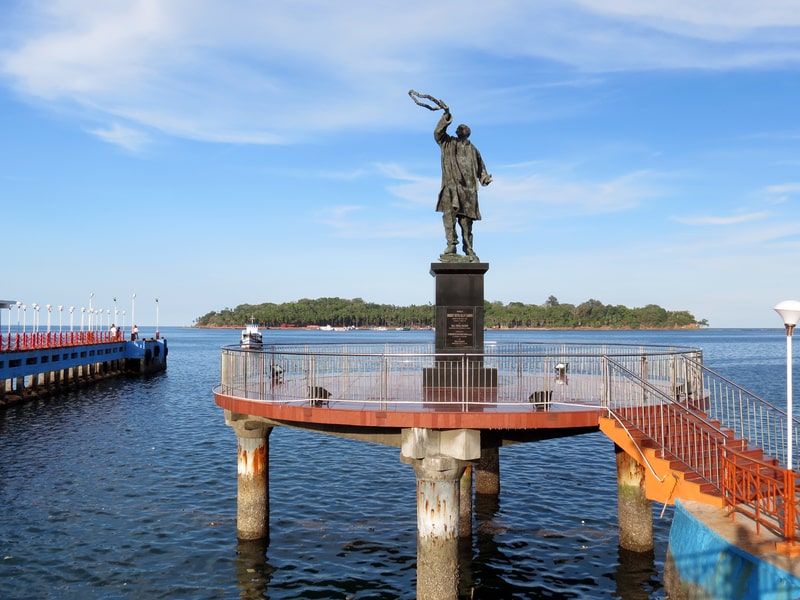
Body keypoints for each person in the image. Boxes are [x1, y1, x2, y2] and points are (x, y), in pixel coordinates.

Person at [434, 109, 492, 261]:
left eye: (462, 128)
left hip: (468, 191)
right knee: (449, 216)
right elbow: (437, 133)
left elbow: (481, 170)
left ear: (467, 133)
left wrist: (485, 178)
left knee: (466, 223)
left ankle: (468, 248)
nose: (458, 129)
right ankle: (451, 244)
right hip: (451, 186)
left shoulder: (474, 150)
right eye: (457, 128)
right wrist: (446, 116)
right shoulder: (448, 142)